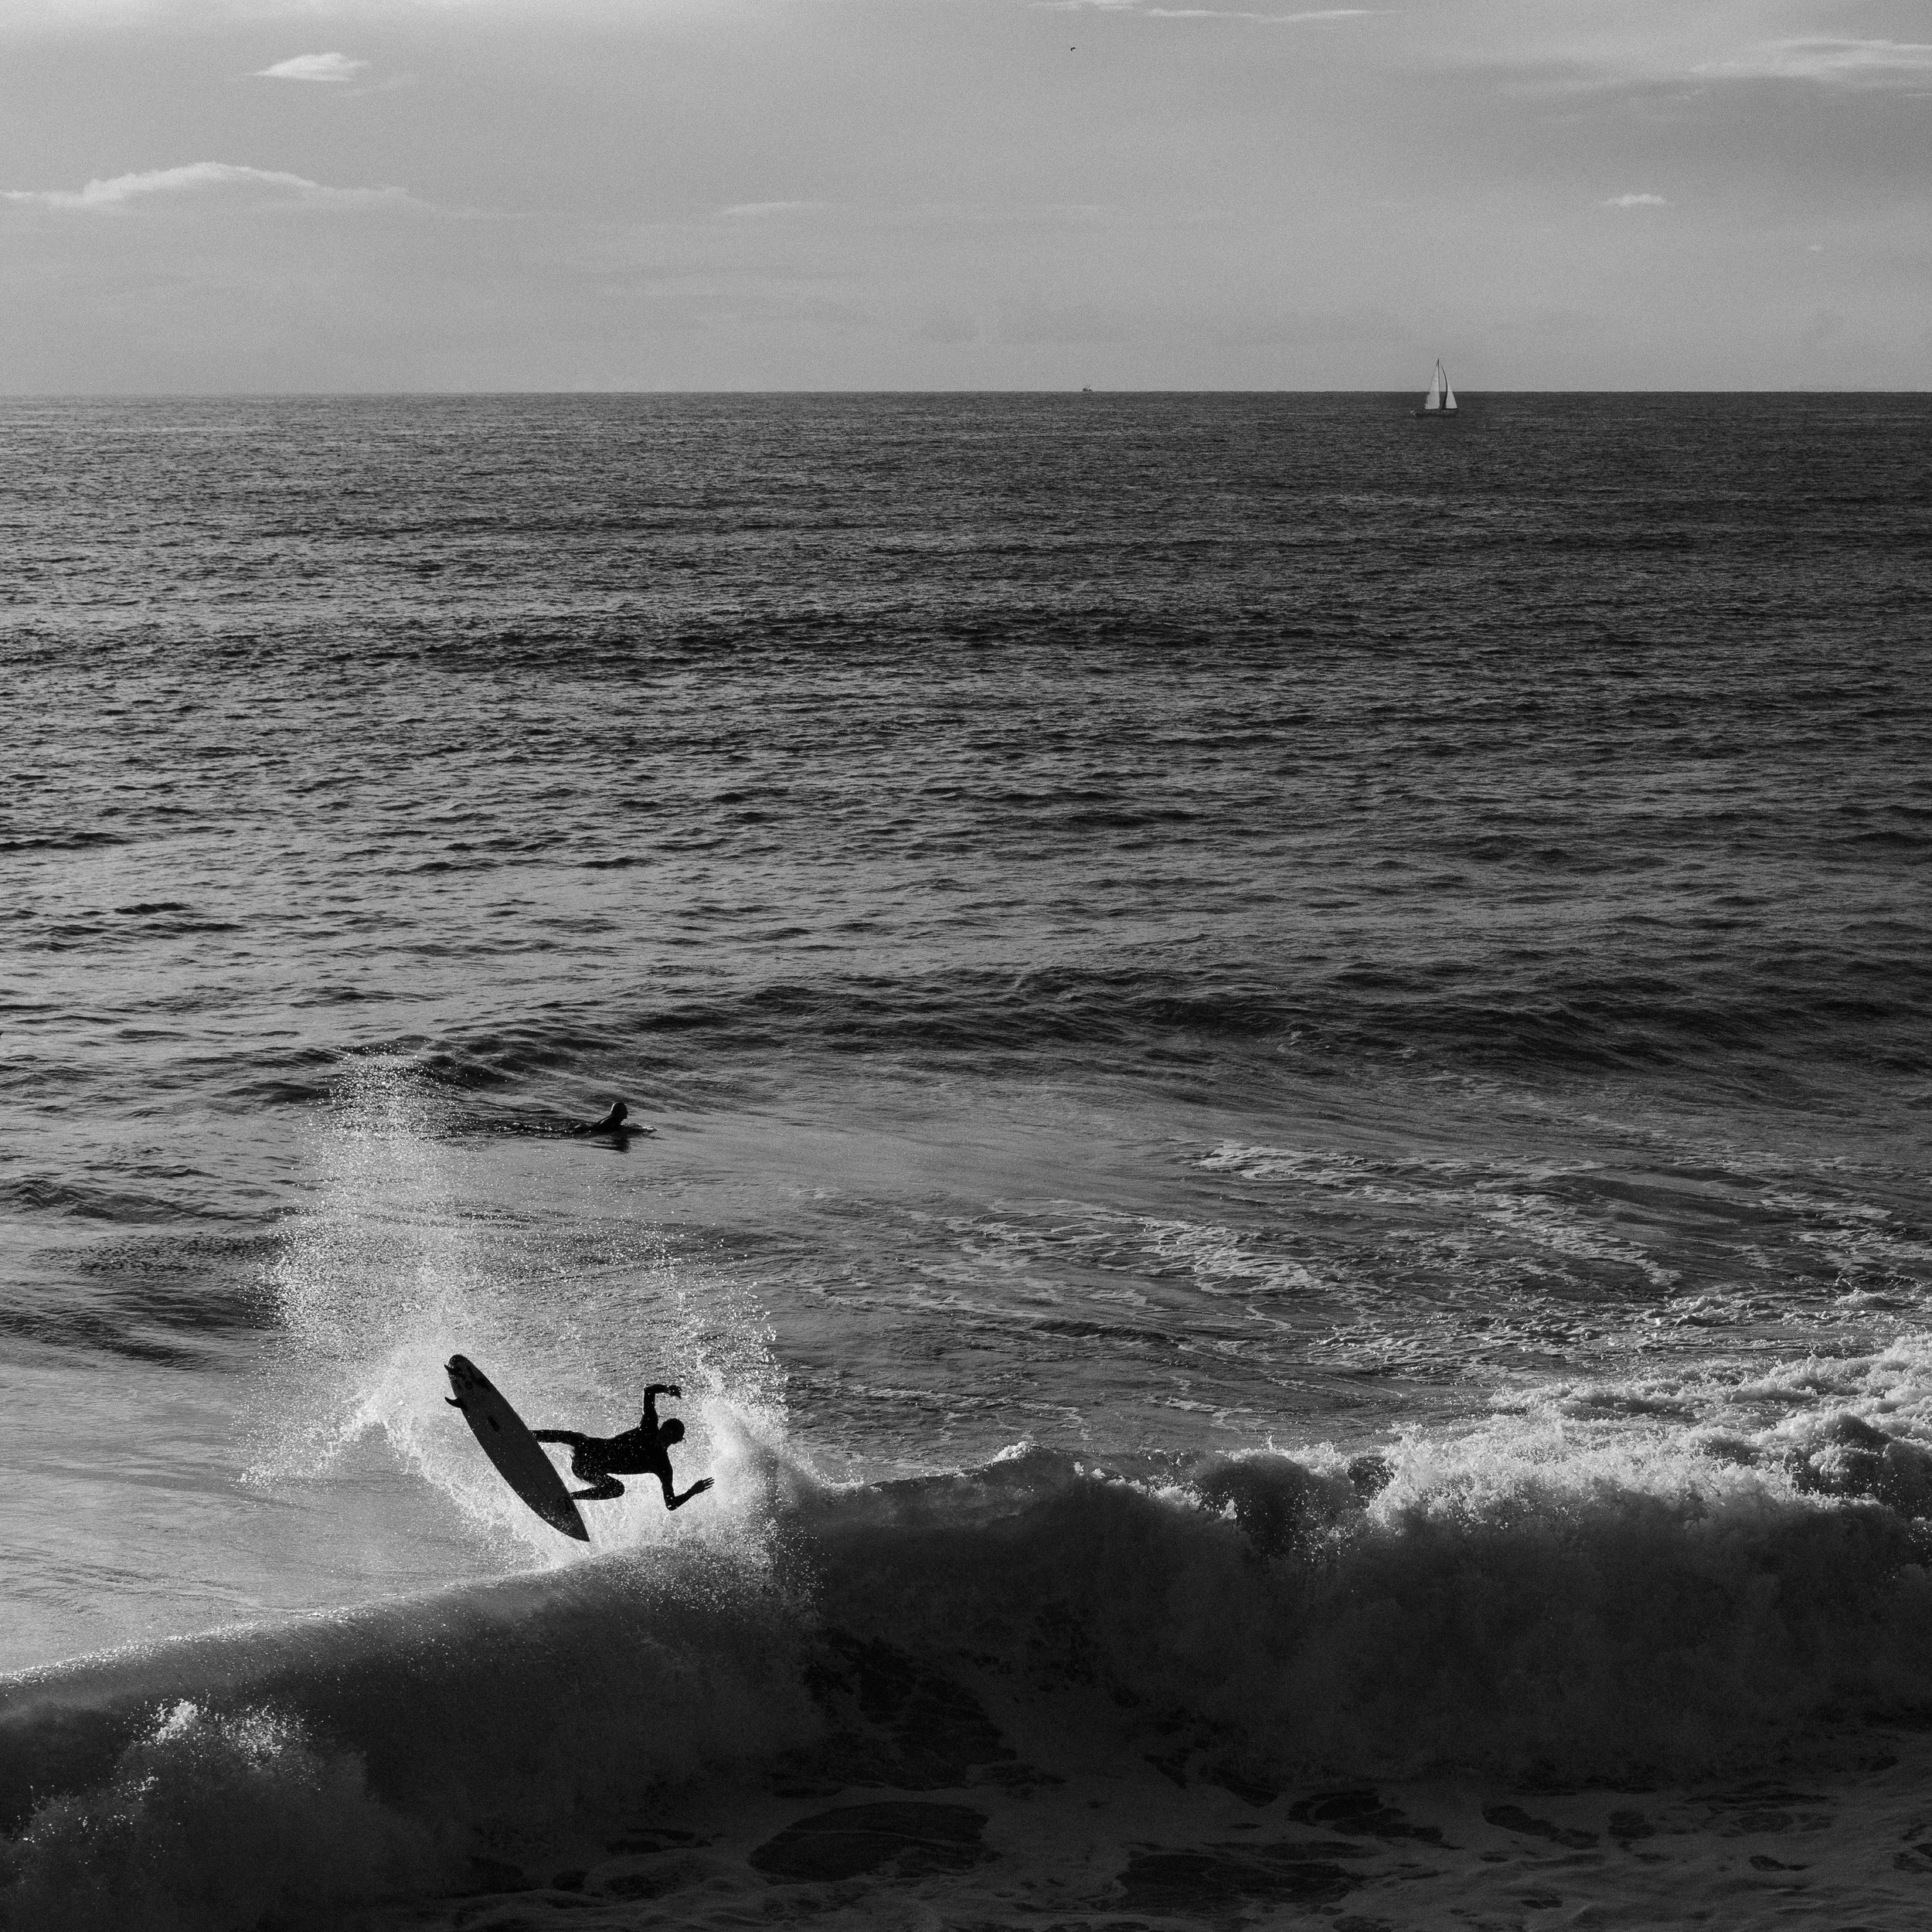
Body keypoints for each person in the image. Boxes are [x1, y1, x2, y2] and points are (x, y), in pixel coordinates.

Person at [532, 1384, 713, 1509]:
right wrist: (666, 1389)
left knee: (618, 1489)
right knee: (577, 1437)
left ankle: (570, 1497)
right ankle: (529, 1435)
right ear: (662, 1427)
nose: (663, 1437)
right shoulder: (649, 1426)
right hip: (586, 1450)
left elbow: (671, 1504)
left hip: (588, 1470)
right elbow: (649, 1391)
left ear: (675, 1441)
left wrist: (692, 1492)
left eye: (669, 1437)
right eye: (664, 1431)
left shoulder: (662, 1466)